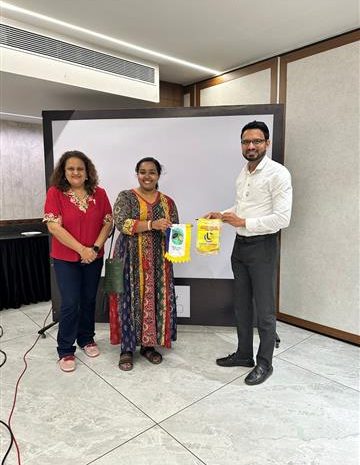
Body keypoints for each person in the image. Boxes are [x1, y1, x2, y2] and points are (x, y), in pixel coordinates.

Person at [206, 121, 292, 385]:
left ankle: (265, 362)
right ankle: (244, 355)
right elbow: (244, 206)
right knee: (242, 305)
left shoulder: (278, 174)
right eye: (246, 142)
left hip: (262, 246)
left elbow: (282, 218)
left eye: (256, 141)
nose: (251, 146)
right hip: (240, 246)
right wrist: (222, 215)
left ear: (267, 143)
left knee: (264, 310)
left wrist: (244, 223)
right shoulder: (244, 172)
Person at [43, 150, 113, 372]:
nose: (75, 172)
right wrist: (81, 249)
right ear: (64, 172)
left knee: (89, 299)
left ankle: (86, 338)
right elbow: (54, 226)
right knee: (71, 302)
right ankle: (65, 349)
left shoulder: (99, 194)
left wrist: (93, 248)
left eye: (80, 168)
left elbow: (107, 223)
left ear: (87, 172)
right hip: (66, 258)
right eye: (71, 168)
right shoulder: (55, 193)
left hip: (94, 256)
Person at [112, 157, 179, 371]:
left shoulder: (168, 202)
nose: (147, 176)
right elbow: (122, 223)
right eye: (142, 172)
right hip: (129, 260)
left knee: (155, 299)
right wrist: (152, 224)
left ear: (158, 175)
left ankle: (148, 346)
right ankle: (127, 348)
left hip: (159, 262)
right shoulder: (126, 197)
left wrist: (181, 235)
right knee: (128, 301)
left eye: (151, 172)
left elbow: (175, 230)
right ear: (137, 174)